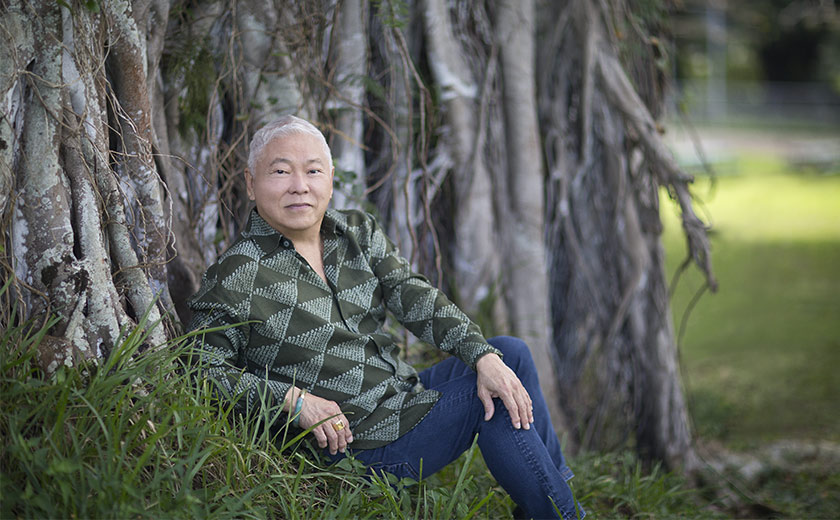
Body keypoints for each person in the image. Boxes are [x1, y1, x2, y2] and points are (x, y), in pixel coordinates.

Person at [188, 115, 583, 519]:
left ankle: (554, 497)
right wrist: (294, 401)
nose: (299, 186)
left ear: (331, 179)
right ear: (251, 183)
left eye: (313, 171)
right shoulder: (236, 275)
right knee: (491, 397)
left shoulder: (356, 232)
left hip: (401, 399)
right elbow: (199, 369)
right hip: (357, 447)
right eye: (281, 171)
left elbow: (414, 295)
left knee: (507, 355)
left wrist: (481, 356)